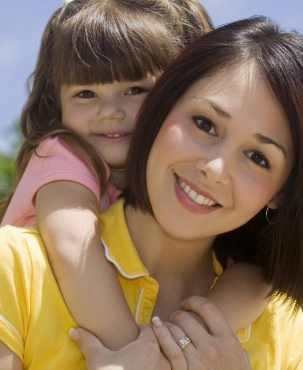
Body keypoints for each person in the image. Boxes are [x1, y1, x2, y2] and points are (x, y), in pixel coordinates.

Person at [1, 16, 303, 369]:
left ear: (281, 193)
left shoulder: (287, 331)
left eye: (258, 158)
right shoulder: (17, 270)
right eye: (204, 123)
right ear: (159, 108)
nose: (215, 169)